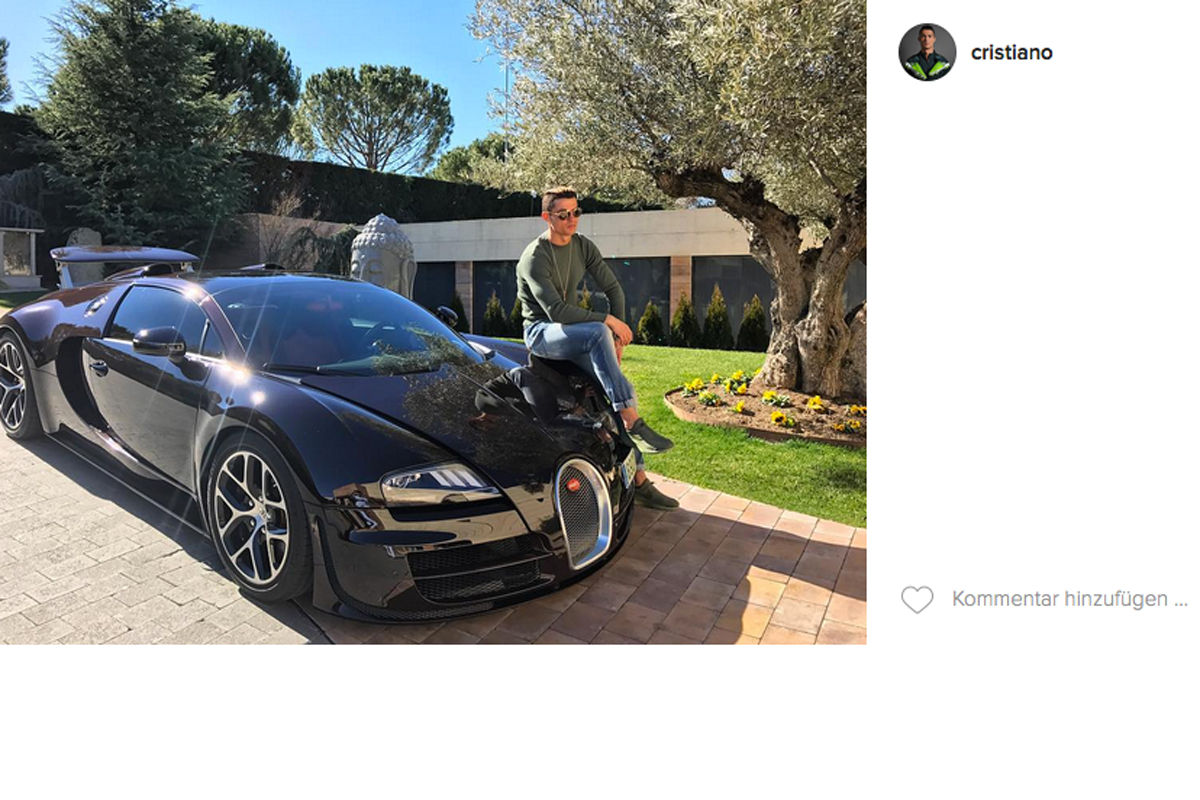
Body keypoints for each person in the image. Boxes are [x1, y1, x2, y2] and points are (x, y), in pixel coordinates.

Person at [516, 186, 679, 510]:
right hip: (541, 333)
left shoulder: (582, 246)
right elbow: (556, 312)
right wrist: (609, 321)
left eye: (576, 212)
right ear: (547, 217)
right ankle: (632, 419)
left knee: (617, 385)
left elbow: (613, 288)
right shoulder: (534, 257)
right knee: (598, 333)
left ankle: (640, 480)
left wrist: (616, 338)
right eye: (564, 214)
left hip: (573, 332)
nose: (572, 219)